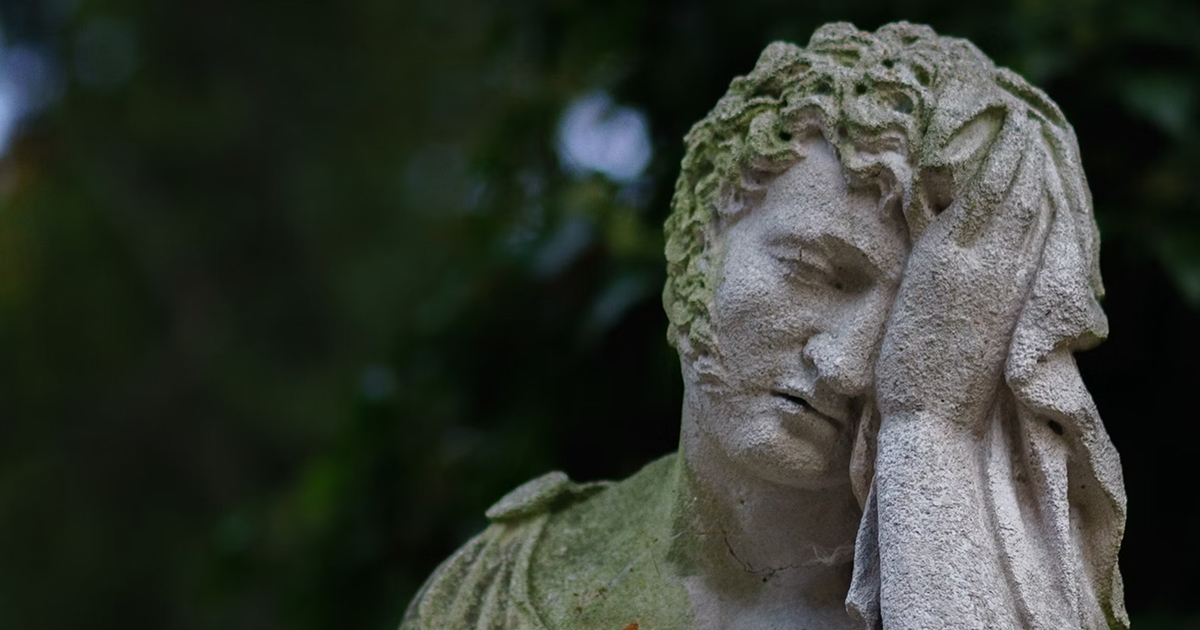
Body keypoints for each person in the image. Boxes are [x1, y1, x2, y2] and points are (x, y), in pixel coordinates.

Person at [400, 22, 1127, 630]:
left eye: (923, 321)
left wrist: (928, 430)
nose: (845, 365)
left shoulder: (1012, 606)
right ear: (698, 243)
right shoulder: (493, 593)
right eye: (817, 271)